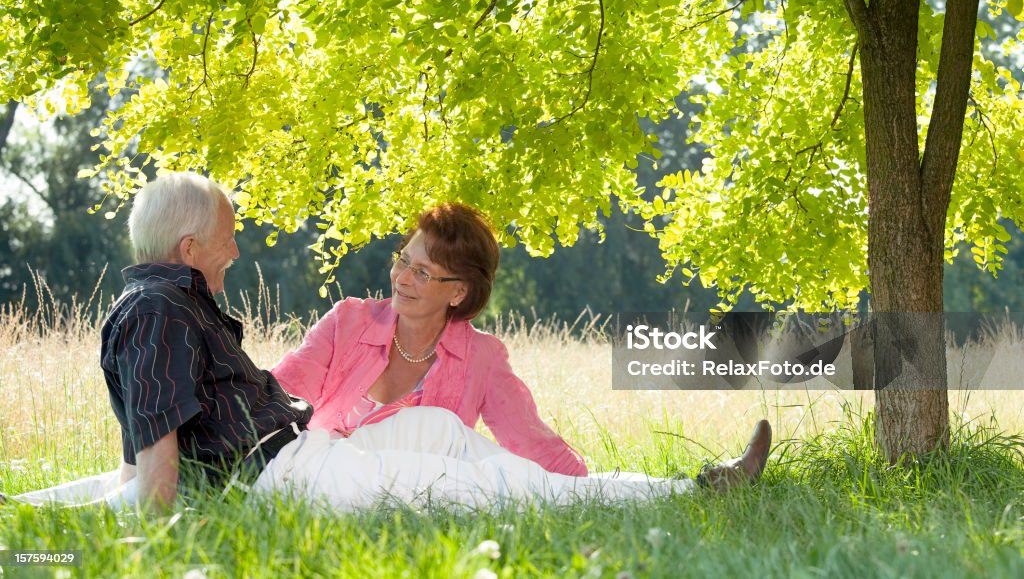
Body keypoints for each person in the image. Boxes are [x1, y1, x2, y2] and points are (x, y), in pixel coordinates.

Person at [7, 172, 771, 511]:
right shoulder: (163, 314)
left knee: (462, 440)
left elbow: (531, 438)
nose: (237, 253)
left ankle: (612, 497)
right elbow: (163, 467)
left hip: (301, 455)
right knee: (485, 492)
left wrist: (578, 483)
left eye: (419, 268)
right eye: (227, 239)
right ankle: (693, 488)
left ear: (456, 291)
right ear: (186, 246)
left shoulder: (175, 308)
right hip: (300, 471)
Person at [270, 202, 586, 476]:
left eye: (423, 273)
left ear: (458, 292)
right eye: (403, 260)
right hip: (330, 478)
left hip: (416, 498)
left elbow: (530, 441)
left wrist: (586, 485)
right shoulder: (348, 322)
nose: (402, 278)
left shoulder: (480, 357)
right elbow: (280, 397)